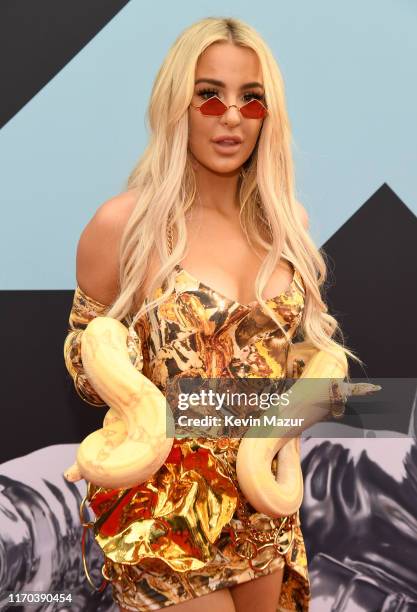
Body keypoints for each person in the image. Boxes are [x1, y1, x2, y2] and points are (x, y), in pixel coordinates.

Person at [63, 16, 364, 612]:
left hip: (264, 508)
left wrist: (308, 400)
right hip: (165, 513)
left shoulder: (288, 225)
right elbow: (84, 367)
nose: (231, 116)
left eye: (251, 100)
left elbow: (308, 374)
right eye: (210, 95)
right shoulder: (122, 226)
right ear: (177, 105)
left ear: (267, 115)